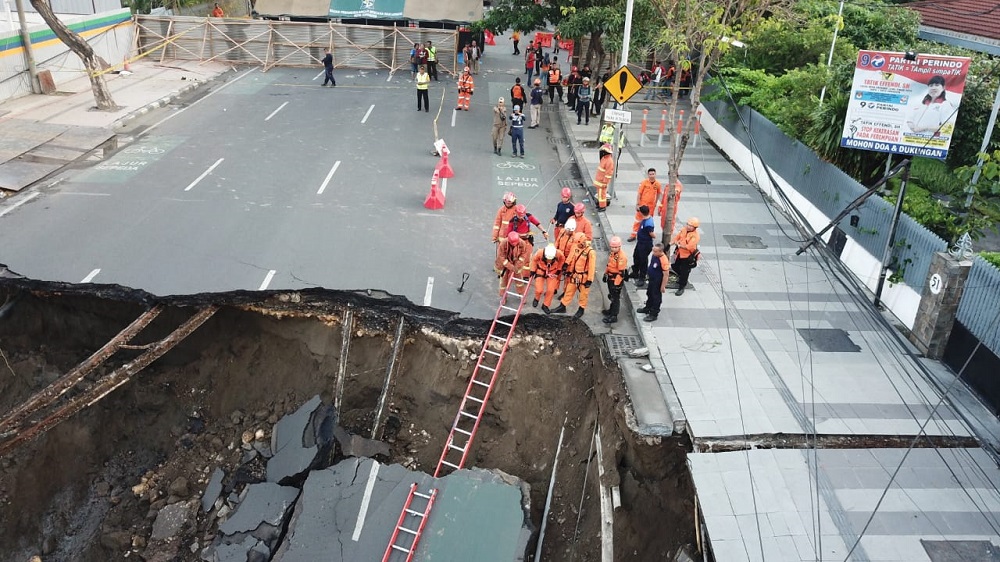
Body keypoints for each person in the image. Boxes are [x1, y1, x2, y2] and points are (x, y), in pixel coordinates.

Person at [549, 232, 595, 318]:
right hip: (575, 275)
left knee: (583, 294)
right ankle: (562, 306)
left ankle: (581, 309)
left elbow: (592, 267)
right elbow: (574, 260)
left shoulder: (590, 252)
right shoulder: (577, 248)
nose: (577, 244)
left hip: (584, 277)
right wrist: (569, 270)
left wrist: (590, 280)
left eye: (579, 243)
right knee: (569, 291)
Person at [637, 244, 670, 321]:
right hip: (652, 279)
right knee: (649, 293)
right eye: (653, 250)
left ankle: (654, 314)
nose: (653, 252)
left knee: (656, 297)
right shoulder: (655, 255)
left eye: (655, 251)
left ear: (660, 251)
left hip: (657, 281)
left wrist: (663, 286)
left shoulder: (664, 260)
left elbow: (666, 275)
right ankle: (647, 308)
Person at [495, 231, 533, 297]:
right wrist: (511, 267)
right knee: (503, 281)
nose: (515, 245)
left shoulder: (522, 243)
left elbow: (523, 255)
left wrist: (517, 265)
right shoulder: (503, 244)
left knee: (519, 280)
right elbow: (501, 257)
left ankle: (521, 294)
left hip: (516, 263)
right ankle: (503, 296)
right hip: (505, 264)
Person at [602, 236, 629, 324]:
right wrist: (605, 273)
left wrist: (616, 284)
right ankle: (611, 310)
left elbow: (621, 273)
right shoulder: (613, 254)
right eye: (612, 247)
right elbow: (609, 265)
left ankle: (614, 316)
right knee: (612, 296)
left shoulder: (621, 257)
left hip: (616, 280)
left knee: (615, 298)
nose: (613, 248)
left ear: (619, 246)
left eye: (615, 247)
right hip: (610, 278)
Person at [670, 217, 700, 295]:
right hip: (679, 253)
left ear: (695, 227)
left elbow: (689, 247)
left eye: (691, 226)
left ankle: (682, 287)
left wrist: (679, 245)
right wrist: (671, 243)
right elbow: (677, 237)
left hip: (687, 256)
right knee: (674, 265)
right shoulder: (684, 230)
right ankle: (682, 275)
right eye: (688, 224)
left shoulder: (695, 236)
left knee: (684, 272)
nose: (688, 226)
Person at [530, 244, 565, 311]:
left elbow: (562, 259)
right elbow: (534, 260)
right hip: (541, 270)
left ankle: (545, 305)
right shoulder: (540, 252)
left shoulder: (559, 253)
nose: (549, 260)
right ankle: (536, 299)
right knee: (539, 289)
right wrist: (533, 270)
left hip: (552, 272)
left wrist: (559, 269)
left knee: (551, 290)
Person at [630, 168, 661, 241]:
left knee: (648, 221)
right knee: (638, 220)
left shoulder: (658, 184)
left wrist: (656, 203)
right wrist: (637, 204)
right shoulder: (644, 182)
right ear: (648, 175)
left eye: (653, 174)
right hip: (642, 205)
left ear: (655, 174)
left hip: (651, 207)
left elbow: (658, 193)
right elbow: (639, 194)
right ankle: (633, 235)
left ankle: (646, 234)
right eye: (650, 174)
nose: (652, 176)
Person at [631, 205, 655, 288]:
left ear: (642, 213)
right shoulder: (646, 219)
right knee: (636, 256)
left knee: (643, 261)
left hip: (645, 244)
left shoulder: (648, 223)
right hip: (640, 242)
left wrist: (654, 237)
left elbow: (651, 233)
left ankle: (642, 277)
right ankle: (635, 272)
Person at [593, 143, 614, 211]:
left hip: (602, 182)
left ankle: (602, 206)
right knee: (600, 194)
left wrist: (605, 183)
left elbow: (608, 174)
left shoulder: (609, 161)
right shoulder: (604, 158)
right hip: (599, 180)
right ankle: (600, 205)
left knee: (602, 195)